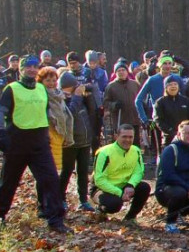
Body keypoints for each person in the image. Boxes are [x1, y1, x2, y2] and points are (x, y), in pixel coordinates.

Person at [0, 56, 68, 233]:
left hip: (39, 144)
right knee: (8, 183)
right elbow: (1, 113)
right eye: (27, 67)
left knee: (51, 180)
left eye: (34, 66)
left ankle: (55, 220)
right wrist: (2, 136)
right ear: (21, 69)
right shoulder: (11, 89)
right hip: (16, 143)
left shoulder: (41, 88)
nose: (31, 69)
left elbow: (45, 113)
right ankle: (0, 215)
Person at [91, 124, 150, 225]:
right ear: (116, 136)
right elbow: (99, 180)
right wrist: (119, 193)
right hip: (103, 189)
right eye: (124, 136)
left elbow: (139, 171)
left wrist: (130, 185)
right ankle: (101, 209)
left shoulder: (136, 150)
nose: (127, 140)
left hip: (124, 186)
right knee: (115, 204)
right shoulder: (104, 152)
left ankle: (130, 218)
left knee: (144, 187)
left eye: (130, 137)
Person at [59, 71, 96, 213]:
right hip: (70, 143)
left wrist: (88, 95)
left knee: (83, 171)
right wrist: (77, 96)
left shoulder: (81, 98)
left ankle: (83, 200)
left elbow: (92, 111)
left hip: (85, 141)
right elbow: (70, 114)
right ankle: (61, 199)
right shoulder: (63, 99)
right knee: (66, 171)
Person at [103, 62, 142, 144]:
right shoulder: (111, 86)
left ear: (127, 71)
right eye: (119, 70)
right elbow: (106, 103)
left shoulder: (134, 84)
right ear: (115, 73)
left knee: (135, 142)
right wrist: (114, 105)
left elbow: (141, 98)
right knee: (121, 142)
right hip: (120, 120)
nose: (121, 72)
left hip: (134, 119)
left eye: (123, 70)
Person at [153, 75, 189, 147]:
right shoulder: (160, 102)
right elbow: (158, 120)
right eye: (170, 85)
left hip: (185, 137)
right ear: (166, 87)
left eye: (175, 84)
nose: (173, 86)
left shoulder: (185, 100)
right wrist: (171, 131)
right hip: (168, 138)